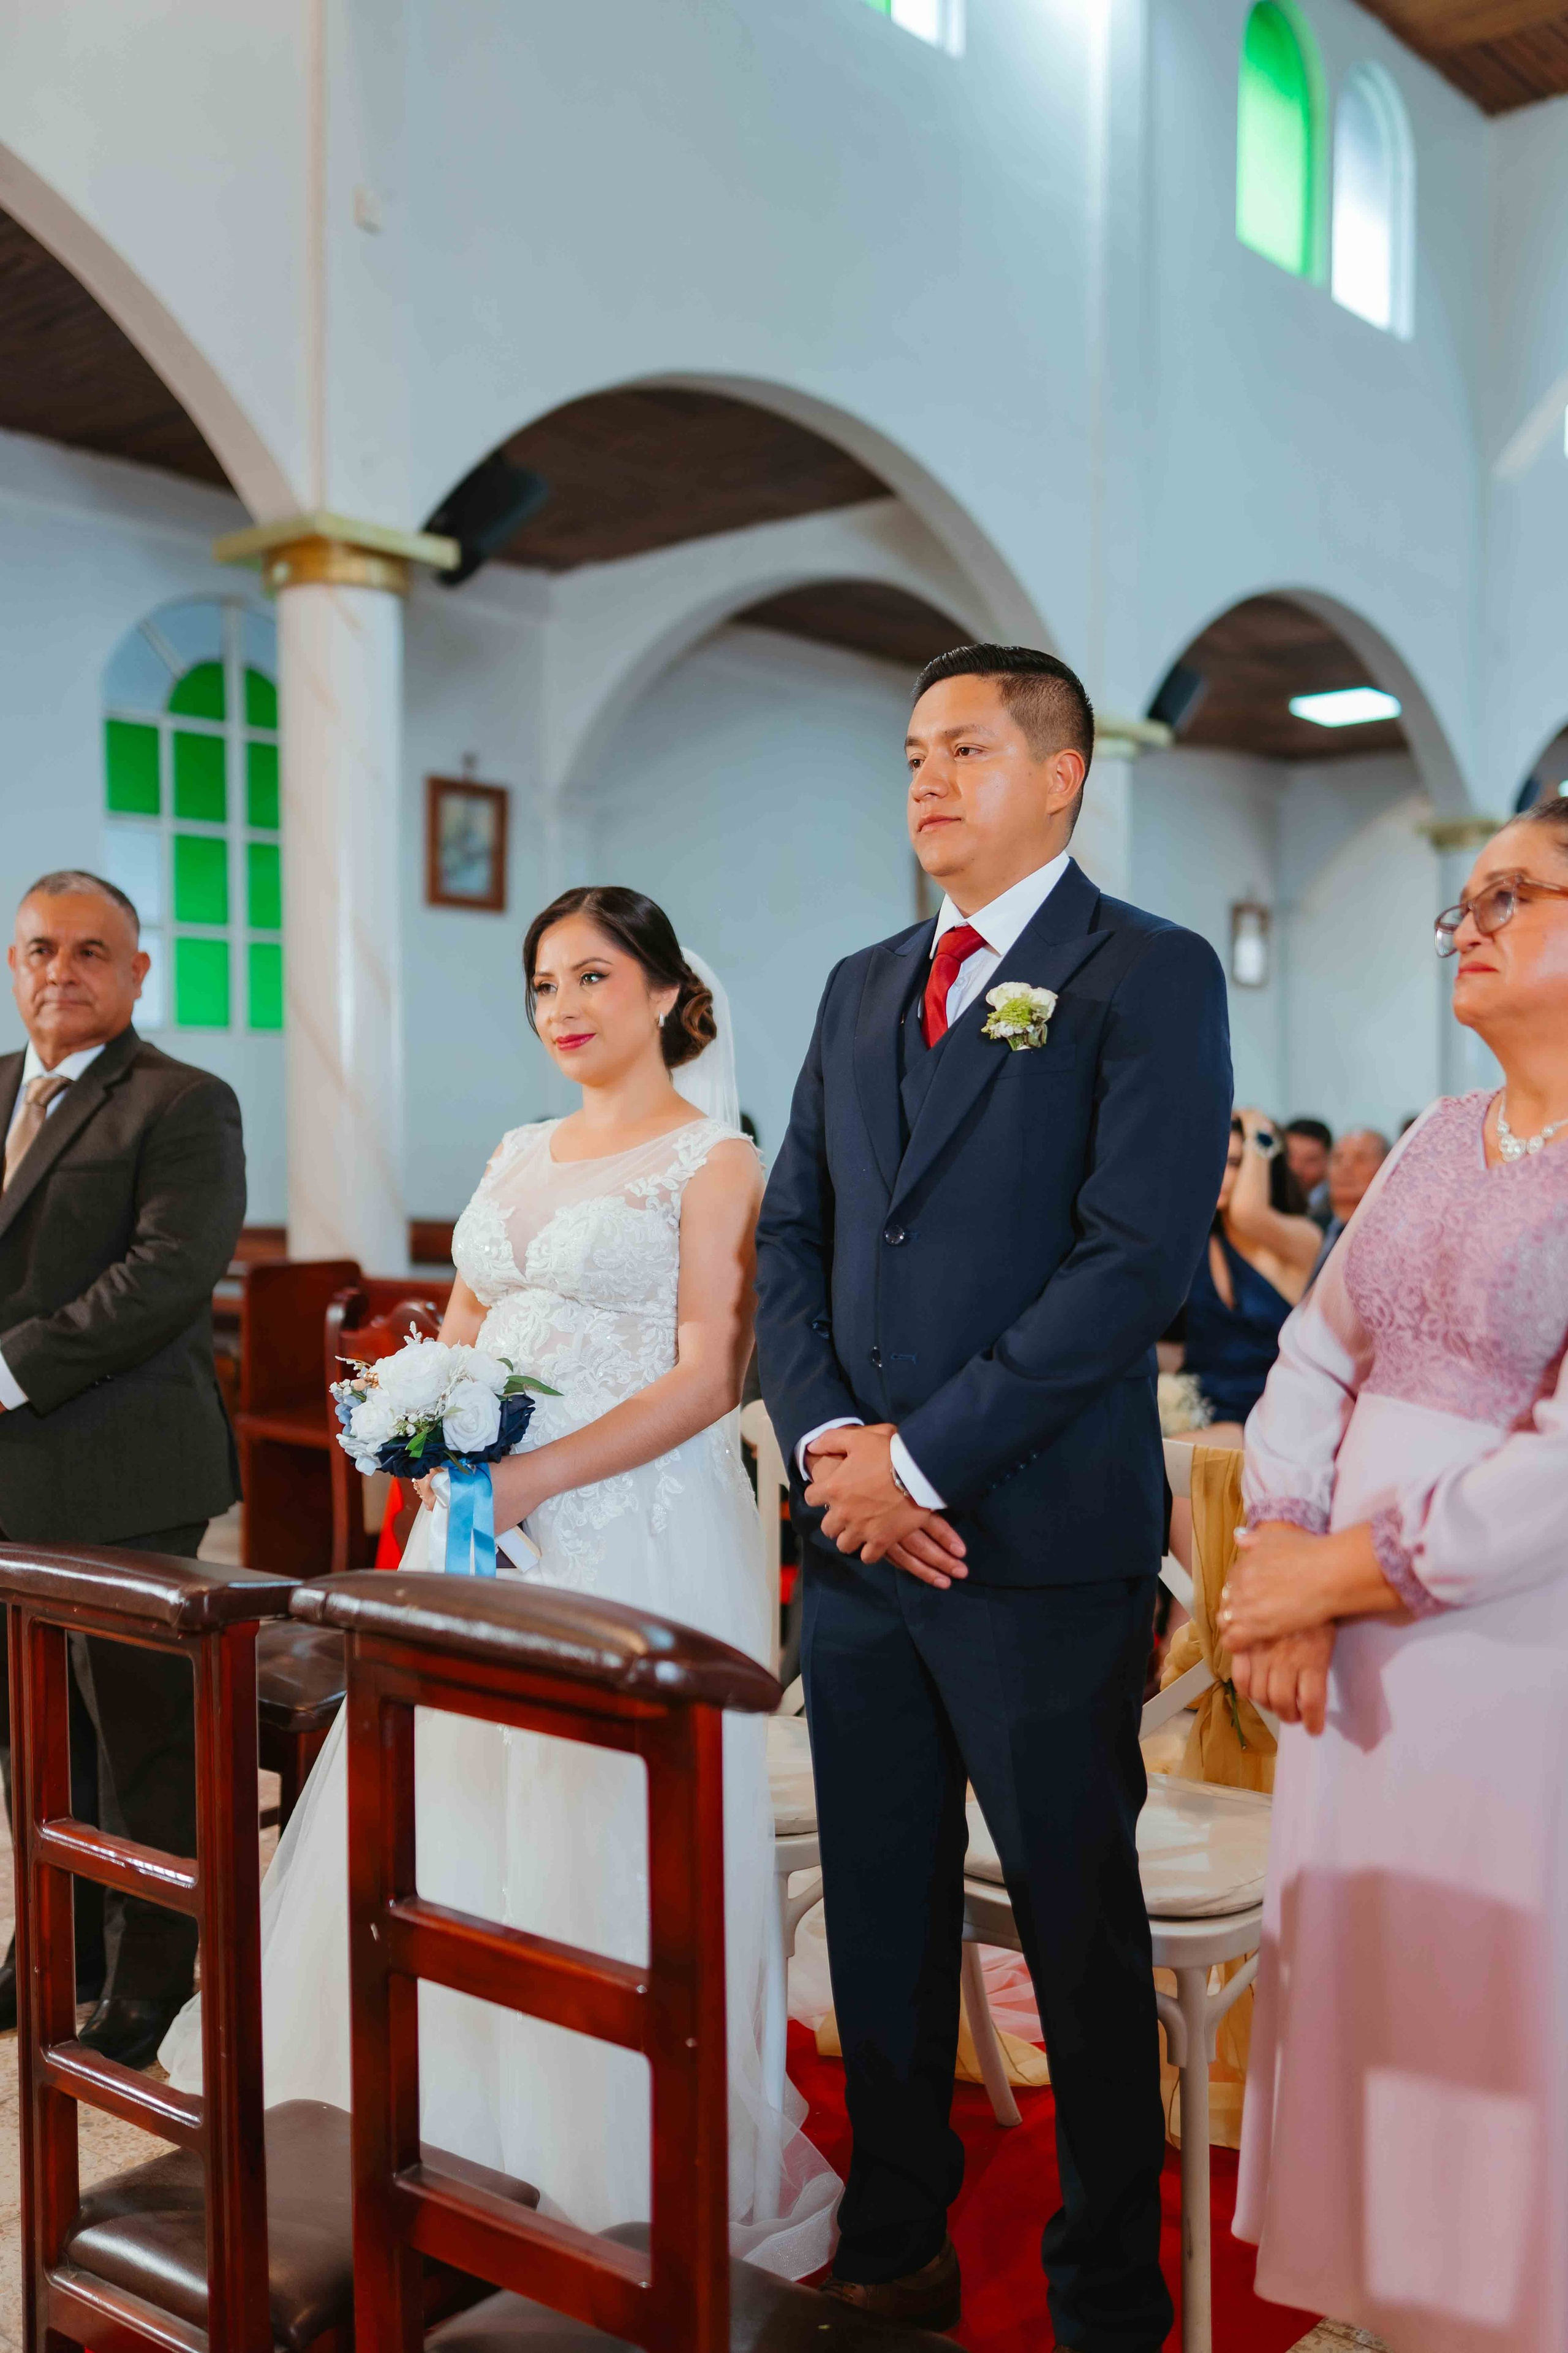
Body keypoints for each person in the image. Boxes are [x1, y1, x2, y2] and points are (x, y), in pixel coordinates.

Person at [162, 887, 839, 2276]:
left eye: (593, 976)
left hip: (633, 1529)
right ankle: (425, 2108)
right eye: (542, 984)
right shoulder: (518, 1149)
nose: (562, 1007)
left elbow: (709, 1373)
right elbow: (460, 1329)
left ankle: (587, 2148)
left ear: (667, 993)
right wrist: (419, 1429)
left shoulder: (714, 1159)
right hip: (474, 1524)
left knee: (587, 1811)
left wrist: (540, 1476)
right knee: (452, 1795)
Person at [755, 643, 1232, 2345]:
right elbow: (797, 1233)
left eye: (962, 749)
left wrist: (923, 1459)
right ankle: (896, 2237)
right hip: (861, 1549)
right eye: (909, 755)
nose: (926, 781)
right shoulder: (861, 982)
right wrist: (834, 1447)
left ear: (1060, 773)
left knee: (1071, 1925)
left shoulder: (1144, 970)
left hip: (1029, 1543)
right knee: (879, 1916)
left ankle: (1107, 2285)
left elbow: (1131, 1260)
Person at [1218, 797, 1568, 2351]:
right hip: (1346, 1648)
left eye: (1510, 895)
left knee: (1484, 1974)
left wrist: (1338, 1573)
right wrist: (1275, 1546)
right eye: (1461, 902)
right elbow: (1313, 1351)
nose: (1465, 926)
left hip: (1507, 1641)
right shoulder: (1431, 1132)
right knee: (1361, 1967)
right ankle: (1385, 2297)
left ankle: (1500, 2306)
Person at [0, 870, 244, 2065]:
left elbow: (166, 1273)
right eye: (42, 949)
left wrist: (10, 1368)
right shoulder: (0, 1084)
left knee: (136, 1737)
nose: (63, 970)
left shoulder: (183, 1101)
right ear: (15, 965)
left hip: (127, 1469)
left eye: (91, 951)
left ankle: (152, 1977)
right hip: (11, 1476)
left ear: (138, 971)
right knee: (32, 1730)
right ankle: (57, 1950)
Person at [1172, 1107, 1322, 1447]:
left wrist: (1256, 1125)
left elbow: (1247, 1212)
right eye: (1214, 1160)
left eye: (1235, 1162)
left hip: (1265, 1416)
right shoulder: (1199, 1242)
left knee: (1170, 1456)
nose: (1219, 1175)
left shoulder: (1302, 1237)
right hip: (1202, 1407)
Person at [1305, 1124, 1390, 1285]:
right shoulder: (1312, 1225)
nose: (1346, 1167)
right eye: (1337, 1158)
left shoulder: (1391, 1240)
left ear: (1387, 1167)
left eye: (1361, 1159)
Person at [1283, 1116, 1333, 1225]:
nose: (1296, 1168)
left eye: (1310, 1160)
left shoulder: (1336, 1207)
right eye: (1290, 1156)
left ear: (1328, 1161)